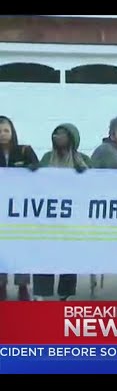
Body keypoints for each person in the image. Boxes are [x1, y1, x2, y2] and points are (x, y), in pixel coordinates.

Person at [33, 123, 91, 301]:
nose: (58, 137)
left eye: (63, 134)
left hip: (72, 217)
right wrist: (32, 171)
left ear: (72, 138)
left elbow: (95, 184)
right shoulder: (47, 157)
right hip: (48, 215)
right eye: (56, 133)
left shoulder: (83, 159)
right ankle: (41, 292)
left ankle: (65, 293)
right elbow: (35, 184)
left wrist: (86, 174)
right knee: (44, 253)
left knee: (69, 254)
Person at [0, 116, 39, 301]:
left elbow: (39, 169)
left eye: (6, 130)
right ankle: (1, 285)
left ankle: (23, 286)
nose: (2, 134)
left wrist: (30, 169)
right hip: (1, 210)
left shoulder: (25, 150)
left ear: (12, 132)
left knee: (20, 248)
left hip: (21, 210)